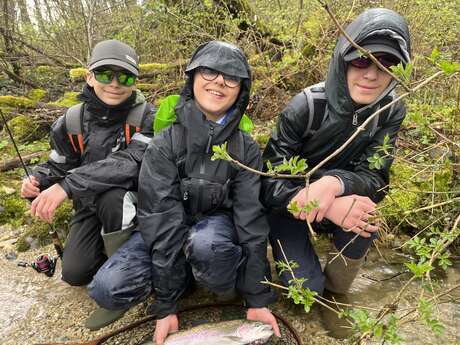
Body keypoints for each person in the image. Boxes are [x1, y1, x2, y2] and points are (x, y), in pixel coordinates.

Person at [260, 8, 411, 337]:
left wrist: (334, 183)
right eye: (361, 60)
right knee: (306, 292)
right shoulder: (307, 106)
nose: (371, 74)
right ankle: (309, 278)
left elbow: (377, 179)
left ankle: (337, 294)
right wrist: (323, 202)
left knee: (367, 221)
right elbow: (267, 185)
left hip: (341, 204)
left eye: (385, 63)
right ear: (343, 60)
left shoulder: (390, 110)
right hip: (290, 209)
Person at [135, 40, 280, 345]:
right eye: (210, 71)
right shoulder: (164, 143)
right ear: (193, 77)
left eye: (231, 77)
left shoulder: (246, 148)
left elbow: (251, 223)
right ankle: (181, 283)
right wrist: (166, 307)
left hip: (213, 235)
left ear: (241, 90)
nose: (219, 82)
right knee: (110, 288)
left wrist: (256, 300)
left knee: (207, 245)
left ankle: (215, 280)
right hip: (172, 234)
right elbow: (161, 222)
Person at [20, 39, 155, 330]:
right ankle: (111, 261)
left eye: (126, 76)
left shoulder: (148, 117)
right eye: (106, 74)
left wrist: (66, 187)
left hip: (136, 206)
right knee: (74, 273)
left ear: (135, 81)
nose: (116, 83)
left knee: (113, 196)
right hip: (88, 208)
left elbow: (130, 163)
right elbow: (58, 165)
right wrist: (38, 180)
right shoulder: (70, 121)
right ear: (89, 76)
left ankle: (131, 275)